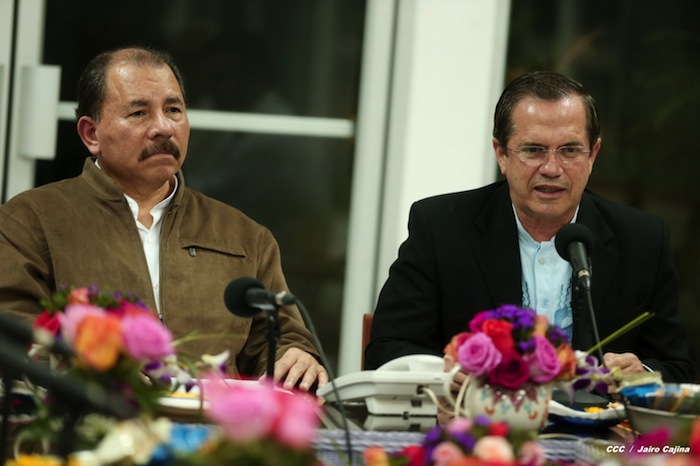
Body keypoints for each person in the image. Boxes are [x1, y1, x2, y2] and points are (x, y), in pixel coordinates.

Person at [0, 47, 327, 392]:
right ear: (91, 134)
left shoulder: (244, 235)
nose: (163, 128)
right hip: (90, 418)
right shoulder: (31, 220)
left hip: (212, 422)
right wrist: (85, 364)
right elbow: (11, 327)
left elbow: (281, 338)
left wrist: (296, 356)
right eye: (139, 113)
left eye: (173, 110)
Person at [364, 71, 694, 385]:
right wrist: (446, 375)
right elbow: (389, 349)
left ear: (592, 154)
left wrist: (642, 373)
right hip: (476, 419)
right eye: (533, 150)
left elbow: (678, 366)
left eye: (569, 150)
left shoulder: (642, 241)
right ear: (501, 154)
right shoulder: (441, 229)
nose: (552, 168)